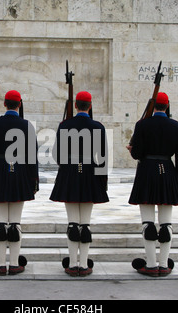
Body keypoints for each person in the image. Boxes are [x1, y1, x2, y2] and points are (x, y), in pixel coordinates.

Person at [50, 91, 109, 277]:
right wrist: (102, 183)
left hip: (70, 173)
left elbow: (57, 155)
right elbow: (103, 159)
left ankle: (72, 263)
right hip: (90, 174)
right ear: (90, 106)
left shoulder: (65, 125)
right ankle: (83, 264)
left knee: (72, 223)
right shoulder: (98, 127)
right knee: (86, 224)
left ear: (76, 106)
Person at [127, 92, 178, 277]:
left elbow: (137, 153)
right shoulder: (177, 127)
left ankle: (151, 265)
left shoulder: (142, 124)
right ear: (167, 105)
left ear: (153, 107)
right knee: (166, 224)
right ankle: (164, 264)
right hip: (168, 171)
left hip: (147, 171)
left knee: (148, 223)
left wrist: (132, 149)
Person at [0, 90, 39, 276]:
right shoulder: (26, 125)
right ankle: (14, 264)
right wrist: (33, 181)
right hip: (20, 172)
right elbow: (32, 157)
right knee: (15, 222)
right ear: (19, 104)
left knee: (0, 223)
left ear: (5, 104)